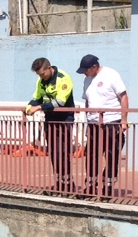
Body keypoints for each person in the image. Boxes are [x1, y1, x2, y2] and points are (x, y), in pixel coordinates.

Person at [75, 54, 130, 198]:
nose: (85, 73)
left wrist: (123, 120)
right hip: (93, 123)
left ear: (94, 67)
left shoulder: (111, 75)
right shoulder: (87, 79)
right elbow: (87, 101)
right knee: (92, 156)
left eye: (86, 70)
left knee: (111, 155)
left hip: (111, 122)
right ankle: (91, 186)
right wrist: (87, 119)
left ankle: (108, 186)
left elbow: (123, 97)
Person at [24, 57, 76, 193]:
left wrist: (39, 107)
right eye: (38, 75)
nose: (41, 77)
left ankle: (69, 184)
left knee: (63, 152)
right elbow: (37, 98)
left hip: (64, 118)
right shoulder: (41, 81)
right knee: (54, 152)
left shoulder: (63, 78)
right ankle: (59, 183)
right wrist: (29, 106)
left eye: (42, 74)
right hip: (50, 118)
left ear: (49, 68)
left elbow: (60, 102)